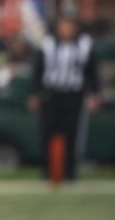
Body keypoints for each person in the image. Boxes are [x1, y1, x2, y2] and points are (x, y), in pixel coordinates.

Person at [29, 14, 101, 182]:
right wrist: (35, 93)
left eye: (70, 25)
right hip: (52, 93)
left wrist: (93, 94)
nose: (66, 29)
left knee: (72, 134)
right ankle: (47, 171)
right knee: (47, 133)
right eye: (63, 25)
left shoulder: (84, 45)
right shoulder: (47, 45)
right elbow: (37, 70)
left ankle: (70, 172)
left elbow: (91, 72)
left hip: (74, 94)